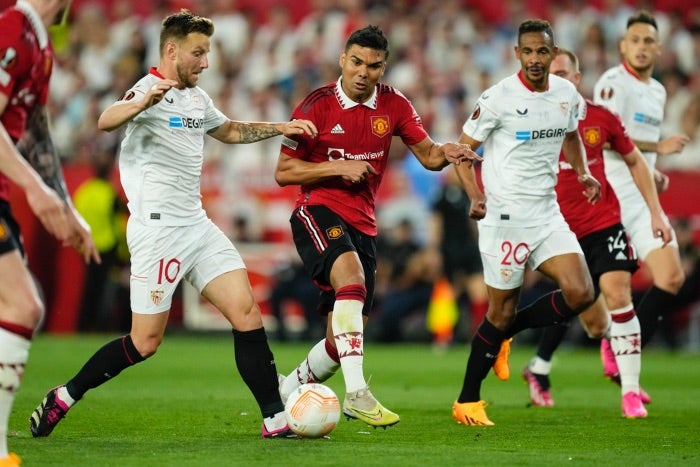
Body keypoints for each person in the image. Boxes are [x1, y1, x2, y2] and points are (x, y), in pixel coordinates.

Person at [29, 9, 317, 440]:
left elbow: (231, 131)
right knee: (145, 342)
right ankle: (65, 396)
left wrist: (280, 127)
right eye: (198, 53)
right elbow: (106, 120)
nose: (206, 62)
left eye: (207, 52)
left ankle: (275, 420)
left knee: (246, 312)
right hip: (158, 232)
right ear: (171, 50)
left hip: (197, 226)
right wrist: (142, 101)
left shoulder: (197, 99)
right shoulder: (148, 89)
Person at [273, 25, 478, 428]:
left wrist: (448, 152)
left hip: (363, 225)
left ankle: (284, 391)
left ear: (384, 67)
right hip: (317, 210)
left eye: (374, 65)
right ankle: (358, 396)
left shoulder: (395, 104)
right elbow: (283, 172)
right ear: (342, 61)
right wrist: (337, 166)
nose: (363, 72)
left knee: (340, 341)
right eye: (356, 62)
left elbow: (429, 156)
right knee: (352, 281)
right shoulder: (315, 107)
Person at [451, 19, 602, 427]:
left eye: (543, 52)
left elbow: (571, 134)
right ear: (517, 54)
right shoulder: (498, 97)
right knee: (499, 312)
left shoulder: (567, 94)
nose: (536, 59)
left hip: (547, 213)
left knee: (582, 291)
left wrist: (583, 171)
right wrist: (476, 196)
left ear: (554, 55)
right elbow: (462, 152)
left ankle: (502, 334)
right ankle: (467, 399)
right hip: (504, 217)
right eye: (529, 51)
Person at [520, 49, 672, 418]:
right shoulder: (528, 119)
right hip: (558, 229)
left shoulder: (601, 118)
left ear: (576, 78)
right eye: (549, 75)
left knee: (619, 295)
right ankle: (571, 354)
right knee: (589, 316)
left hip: (603, 222)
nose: (556, 81)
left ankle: (631, 393)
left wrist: (656, 210)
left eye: (563, 74)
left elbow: (632, 156)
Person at [0, 1, 99, 464]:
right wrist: (36, 192)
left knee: (20, 306)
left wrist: (65, 206)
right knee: (22, 304)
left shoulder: (38, 42)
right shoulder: (14, 28)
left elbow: (37, 135)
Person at [593, 10, 688, 381]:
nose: (642, 47)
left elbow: (636, 150)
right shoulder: (613, 83)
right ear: (623, 46)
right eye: (635, 40)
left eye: (649, 41)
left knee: (672, 277)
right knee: (585, 293)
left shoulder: (658, 90)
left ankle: (622, 350)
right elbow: (605, 139)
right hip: (610, 199)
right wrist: (660, 147)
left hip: (642, 195)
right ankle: (538, 361)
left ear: (659, 49)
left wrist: (653, 171)